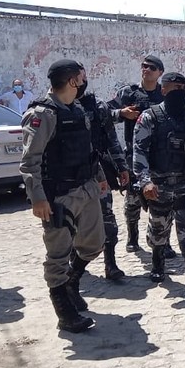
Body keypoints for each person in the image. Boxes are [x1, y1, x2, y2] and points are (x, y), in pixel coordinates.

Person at [20, 60, 108, 333]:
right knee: (57, 254)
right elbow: (30, 161)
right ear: (72, 81)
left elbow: (88, 149)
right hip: (58, 196)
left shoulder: (78, 109)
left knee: (94, 244)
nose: (84, 81)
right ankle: (64, 311)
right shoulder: (42, 115)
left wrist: (100, 176)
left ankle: (72, 281)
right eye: (81, 76)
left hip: (86, 189)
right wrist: (37, 198)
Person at [132, 72, 185, 292]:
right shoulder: (150, 117)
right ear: (163, 90)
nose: (179, 92)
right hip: (158, 187)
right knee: (158, 229)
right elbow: (139, 151)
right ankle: (157, 265)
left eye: (183, 89)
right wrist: (145, 182)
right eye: (174, 88)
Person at [108, 55, 175, 257]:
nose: (146, 69)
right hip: (135, 155)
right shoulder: (128, 92)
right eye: (144, 66)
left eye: (151, 67)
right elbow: (106, 113)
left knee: (163, 200)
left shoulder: (164, 94)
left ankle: (163, 241)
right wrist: (122, 113)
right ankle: (132, 237)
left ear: (160, 72)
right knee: (133, 199)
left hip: (160, 156)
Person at [78, 73, 130, 281]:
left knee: (106, 217)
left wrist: (121, 167)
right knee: (71, 220)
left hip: (97, 172)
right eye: (77, 77)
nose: (81, 81)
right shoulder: (55, 108)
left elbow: (111, 139)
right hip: (68, 176)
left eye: (83, 77)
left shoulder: (97, 105)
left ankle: (111, 264)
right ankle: (73, 263)